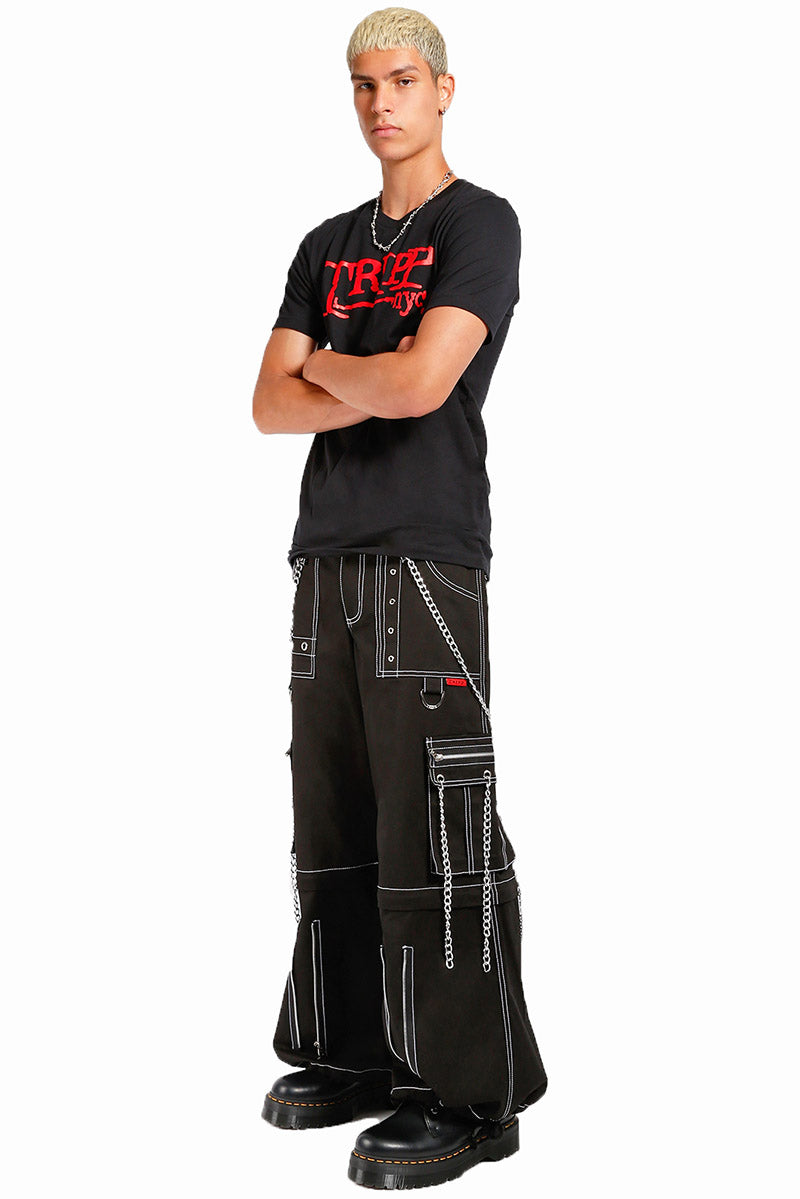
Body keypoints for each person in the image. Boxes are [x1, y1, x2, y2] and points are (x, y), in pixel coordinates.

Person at [252, 7, 548, 1189]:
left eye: (403, 80)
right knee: (330, 817)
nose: (382, 101)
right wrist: (354, 376)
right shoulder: (324, 243)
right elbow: (265, 404)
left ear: (442, 90)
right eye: (364, 83)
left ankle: (468, 1094)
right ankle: (358, 1051)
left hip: (426, 555)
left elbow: (425, 381)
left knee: (435, 817)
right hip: (324, 554)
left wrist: (326, 362)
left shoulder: (479, 221)